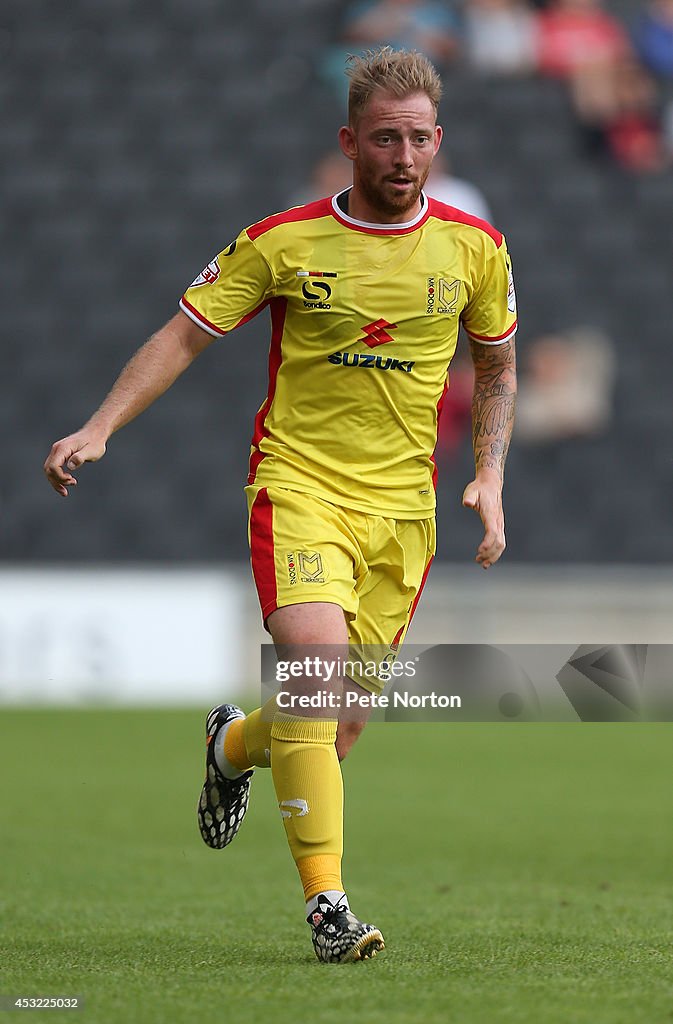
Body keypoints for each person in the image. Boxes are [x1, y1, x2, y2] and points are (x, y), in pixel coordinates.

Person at [44, 47, 518, 964]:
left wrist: (489, 476)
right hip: (298, 486)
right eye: (385, 138)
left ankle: (232, 750)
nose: (404, 156)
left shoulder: (474, 248)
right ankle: (328, 907)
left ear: (439, 142)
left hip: (402, 510)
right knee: (313, 667)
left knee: (335, 724)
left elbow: (496, 367)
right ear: (349, 141)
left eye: (420, 138)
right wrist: (101, 426)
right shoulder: (283, 242)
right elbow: (182, 334)